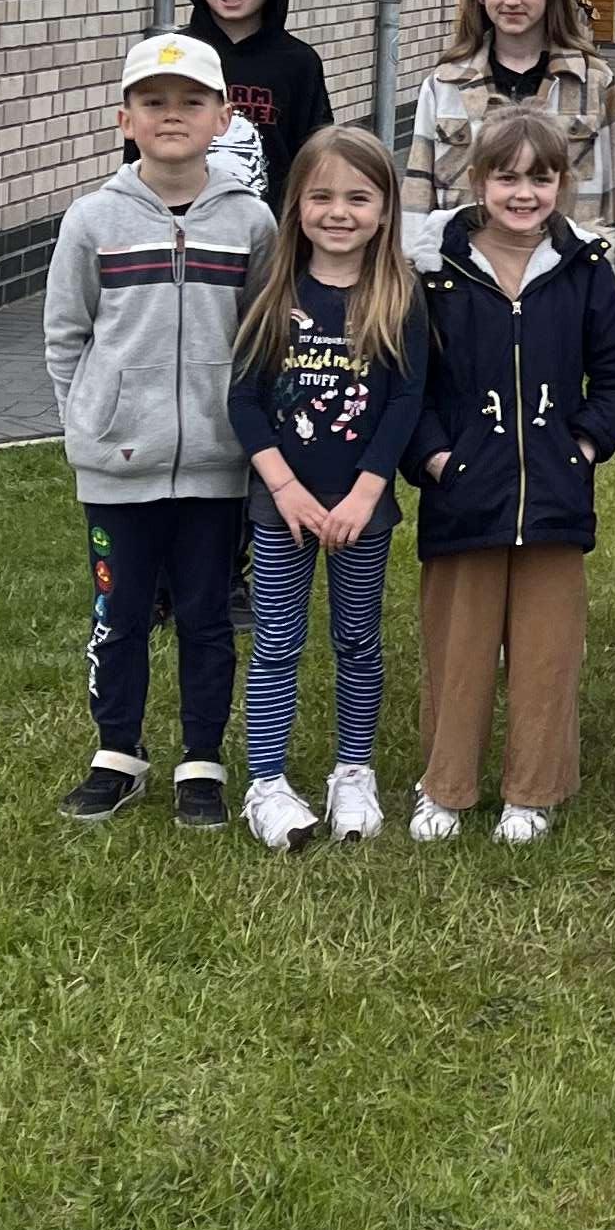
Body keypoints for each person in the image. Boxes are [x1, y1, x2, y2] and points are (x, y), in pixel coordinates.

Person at [46, 31, 277, 829]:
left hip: (217, 465)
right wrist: (90, 420)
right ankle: (117, 752)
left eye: (190, 102)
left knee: (209, 617)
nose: (170, 115)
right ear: (124, 118)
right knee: (121, 613)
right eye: (152, 102)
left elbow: (265, 337)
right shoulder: (91, 220)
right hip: (118, 466)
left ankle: (201, 762)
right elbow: (66, 337)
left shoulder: (251, 224)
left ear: (222, 118)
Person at [407, 105, 615, 842]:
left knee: (547, 654)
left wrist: (583, 446)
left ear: (561, 184)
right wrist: (437, 458)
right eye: (506, 176)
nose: (523, 193)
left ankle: (532, 790)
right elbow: (406, 382)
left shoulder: (582, 269)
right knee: (459, 651)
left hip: (552, 494)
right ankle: (445, 786)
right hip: (464, 496)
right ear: (477, 179)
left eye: (541, 178)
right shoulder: (434, 269)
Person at [227, 125, 429, 850]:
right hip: (282, 506)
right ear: (296, 204)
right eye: (321, 196)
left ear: (384, 209)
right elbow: (244, 399)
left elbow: (406, 402)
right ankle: (267, 782)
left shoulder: (398, 292)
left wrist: (366, 495)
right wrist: (282, 490)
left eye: (358, 197)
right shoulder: (273, 284)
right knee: (277, 642)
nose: (338, 212)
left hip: (359, 512)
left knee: (357, 641)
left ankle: (354, 769)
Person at [405, 0, 615, 275]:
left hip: (566, 279)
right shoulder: (444, 83)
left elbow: (614, 204)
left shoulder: (593, 82)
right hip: (466, 281)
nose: (512, 0)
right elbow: (417, 199)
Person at [163, 0, 336, 199]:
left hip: (271, 234)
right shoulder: (173, 56)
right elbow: (140, 156)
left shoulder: (299, 64)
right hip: (183, 230)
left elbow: (316, 161)